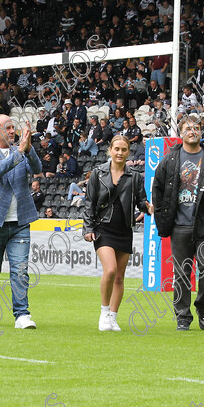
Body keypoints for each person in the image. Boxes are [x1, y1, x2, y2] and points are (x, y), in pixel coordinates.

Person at [151, 115, 204, 331]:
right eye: (188, 128)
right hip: (179, 227)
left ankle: (203, 306)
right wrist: (162, 219)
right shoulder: (170, 159)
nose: (193, 131)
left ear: (201, 132)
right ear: (181, 133)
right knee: (181, 275)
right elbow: (157, 189)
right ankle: (183, 316)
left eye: (196, 128)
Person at [0, 114, 41, 329]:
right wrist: (20, 151)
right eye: (8, 127)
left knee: (20, 270)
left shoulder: (20, 150)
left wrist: (28, 148)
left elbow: (37, 168)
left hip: (20, 221)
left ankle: (22, 314)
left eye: (14, 127)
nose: (13, 131)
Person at [83, 135, 154, 332]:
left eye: (124, 149)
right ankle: (104, 312)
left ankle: (113, 317)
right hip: (102, 228)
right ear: (110, 151)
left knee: (120, 277)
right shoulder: (97, 174)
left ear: (128, 152)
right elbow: (89, 202)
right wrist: (88, 228)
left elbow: (141, 200)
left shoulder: (135, 176)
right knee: (111, 270)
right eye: (117, 149)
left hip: (124, 229)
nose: (120, 153)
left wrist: (147, 207)